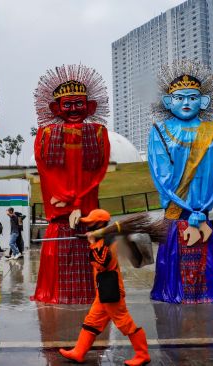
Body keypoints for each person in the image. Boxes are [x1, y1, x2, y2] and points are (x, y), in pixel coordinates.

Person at [148, 59, 213, 304]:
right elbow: (161, 175)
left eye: (192, 97)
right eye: (180, 97)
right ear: (168, 102)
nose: (186, 103)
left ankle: (206, 293)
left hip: (203, 211)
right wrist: (188, 208)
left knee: (208, 258)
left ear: (203, 102)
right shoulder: (160, 131)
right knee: (175, 255)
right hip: (176, 211)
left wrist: (202, 209)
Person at [31, 64, 111, 304]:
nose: (74, 109)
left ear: (90, 106)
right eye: (68, 104)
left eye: (79, 103)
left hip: (86, 212)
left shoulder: (98, 133)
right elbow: (47, 172)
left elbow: (97, 173)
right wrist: (65, 200)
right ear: (56, 108)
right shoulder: (46, 134)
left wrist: (79, 202)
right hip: (60, 211)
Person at [59, 209, 150, 366]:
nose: (87, 226)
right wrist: (93, 241)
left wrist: (93, 243)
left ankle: (142, 355)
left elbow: (101, 264)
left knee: (125, 323)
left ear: (99, 224)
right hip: (104, 292)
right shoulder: (105, 238)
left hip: (111, 292)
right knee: (92, 321)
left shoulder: (109, 241)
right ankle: (79, 352)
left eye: (90, 223)